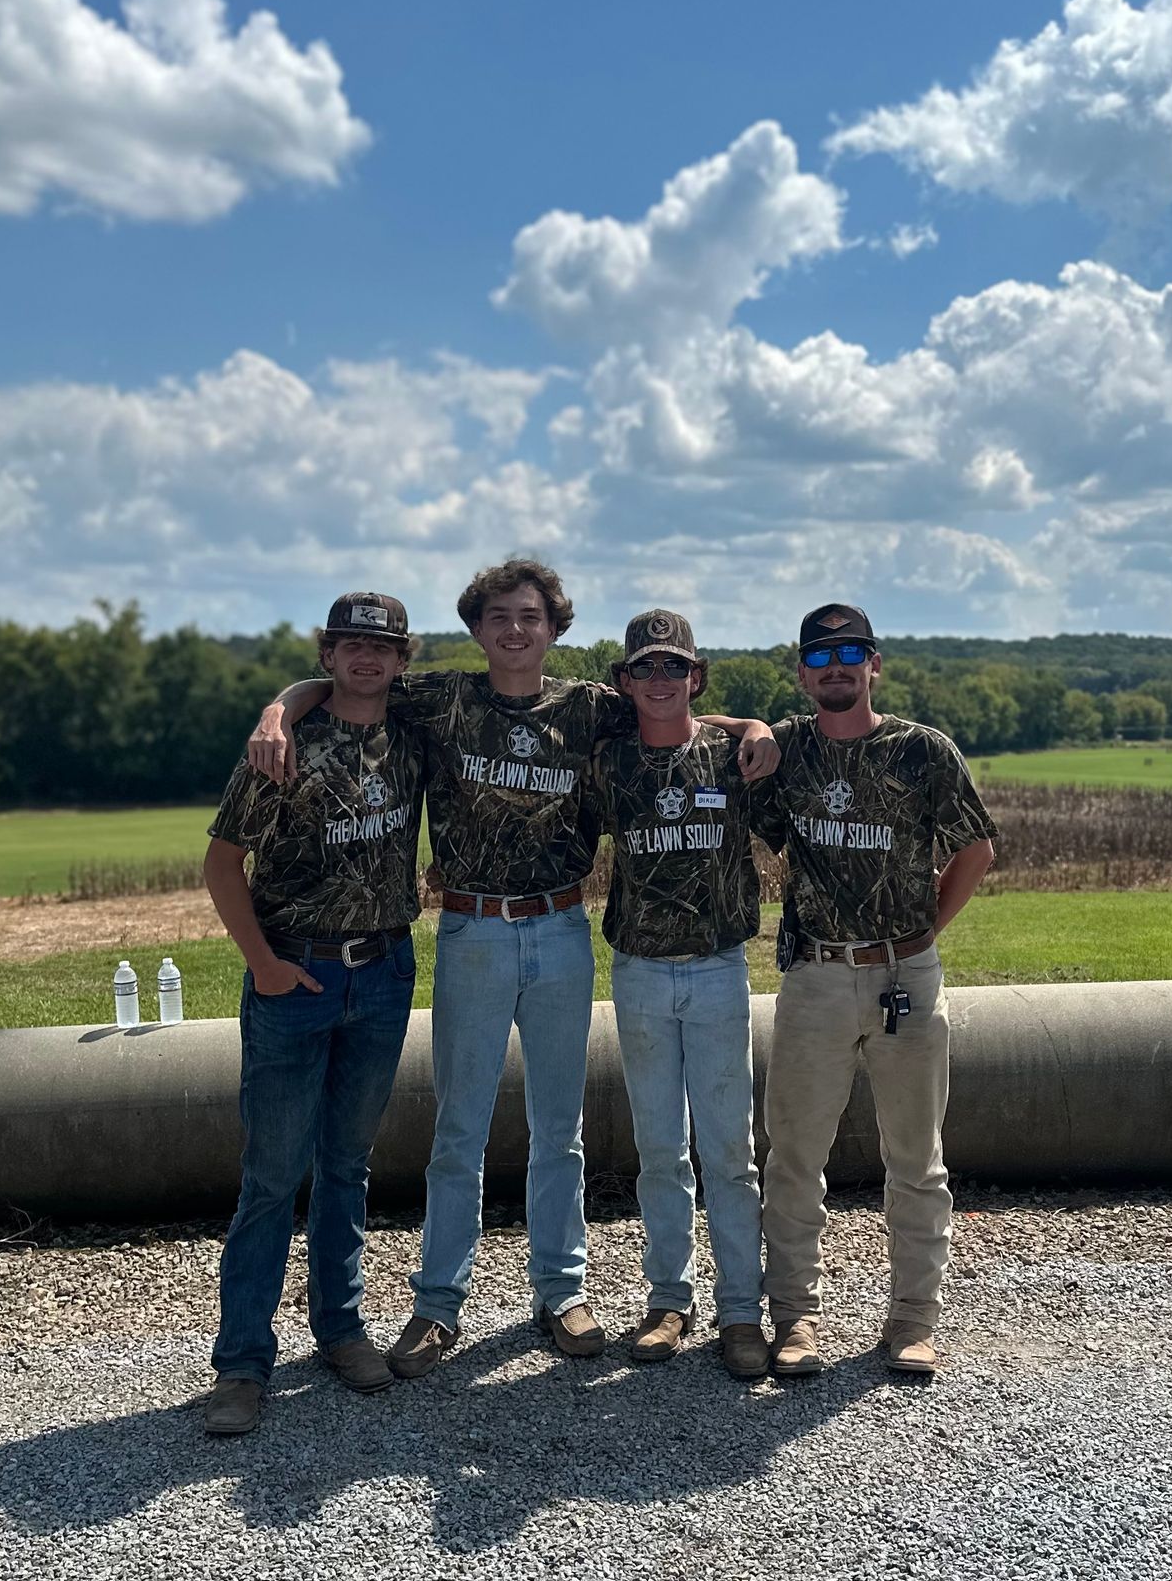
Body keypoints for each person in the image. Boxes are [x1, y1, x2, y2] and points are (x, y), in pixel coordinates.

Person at [245, 559, 778, 1376]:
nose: (516, 630)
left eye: (531, 616)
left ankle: (561, 1292)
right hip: (473, 928)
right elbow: (344, 686)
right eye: (499, 616)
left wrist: (755, 730)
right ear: (476, 628)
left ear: (554, 626)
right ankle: (437, 1305)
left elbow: (681, 709)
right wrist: (279, 708)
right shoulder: (442, 698)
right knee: (460, 1126)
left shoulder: (588, 705)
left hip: (561, 924)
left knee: (558, 1127)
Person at [751, 603, 997, 1384]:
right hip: (816, 976)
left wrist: (925, 930)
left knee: (917, 1159)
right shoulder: (788, 748)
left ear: (874, 665)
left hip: (906, 976)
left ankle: (913, 1324)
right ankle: (794, 1319)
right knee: (793, 1156)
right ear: (802, 673)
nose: (836, 668)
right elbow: (710, 724)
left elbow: (976, 848)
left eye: (850, 653)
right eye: (821, 657)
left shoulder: (922, 751)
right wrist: (755, 724)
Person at [199, 592, 424, 1436]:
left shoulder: (416, 729)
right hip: (298, 974)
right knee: (271, 1176)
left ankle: (339, 1329)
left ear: (402, 660)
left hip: (385, 970)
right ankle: (242, 1364)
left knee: (347, 1166)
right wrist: (263, 967)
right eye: (350, 645)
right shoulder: (282, 748)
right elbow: (222, 864)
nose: (367, 658)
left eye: (383, 646)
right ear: (327, 653)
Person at [594, 609, 770, 1379]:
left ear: (695, 677)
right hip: (638, 971)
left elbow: (772, 736)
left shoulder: (735, 755)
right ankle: (669, 1299)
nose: (660, 681)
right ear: (624, 681)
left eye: (675, 667)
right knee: (661, 1149)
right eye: (646, 669)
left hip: (716, 968)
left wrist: (753, 721)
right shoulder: (607, 763)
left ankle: (741, 1311)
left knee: (729, 1148)